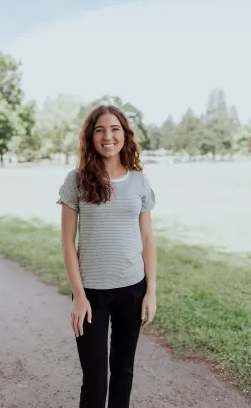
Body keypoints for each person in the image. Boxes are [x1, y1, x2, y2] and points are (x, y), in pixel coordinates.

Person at [57, 104, 157, 408]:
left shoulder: (139, 181)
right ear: (91, 137)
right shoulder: (76, 180)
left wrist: (151, 291)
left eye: (114, 129)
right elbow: (66, 242)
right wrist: (78, 295)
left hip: (132, 289)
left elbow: (148, 238)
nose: (107, 136)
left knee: (123, 371)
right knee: (95, 378)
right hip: (91, 294)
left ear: (124, 135)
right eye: (99, 129)